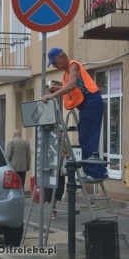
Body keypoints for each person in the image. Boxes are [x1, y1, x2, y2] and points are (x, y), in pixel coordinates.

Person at [41, 47, 108, 181]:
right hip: (87, 104)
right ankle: (99, 171)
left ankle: (94, 173)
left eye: (54, 62)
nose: (54, 66)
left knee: (87, 138)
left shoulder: (73, 66)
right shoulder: (66, 73)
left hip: (91, 101)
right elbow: (74, 89)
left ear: (62, 57)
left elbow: (71, 85)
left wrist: (52, 95)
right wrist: (59, 88)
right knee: (84, 138)